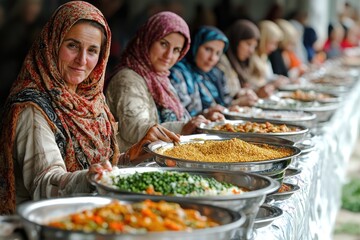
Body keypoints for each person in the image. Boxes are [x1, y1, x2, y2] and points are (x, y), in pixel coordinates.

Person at [0, 1, 179, 215]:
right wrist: (90, 178)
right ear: (52, 44)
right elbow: (45, 183)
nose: (82, 60)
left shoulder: (91, 101)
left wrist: (131, 156)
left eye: (92, 50)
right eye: (72, 45)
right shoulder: (32, 108)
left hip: (92, 213)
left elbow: (100, 167)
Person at [105, 11, 210, 152]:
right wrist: (183, 128)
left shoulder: (161, 78)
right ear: (148, 39)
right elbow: (134, 128)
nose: (169, 55)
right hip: (136, 166)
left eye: (176, 50)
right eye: (164, 44)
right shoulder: (127, 79)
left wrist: (204, 119)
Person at [169, 26, 257, 117]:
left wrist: (238, 99)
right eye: (208, 49)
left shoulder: (216, 73)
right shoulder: (178, 73)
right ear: (195, 45)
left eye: (218, 53)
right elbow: (179, 116)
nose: (212, 58)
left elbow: (226, 102)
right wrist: (206, 114)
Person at [221, 19, 273, 99]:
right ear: (236, 40)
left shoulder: (243, 62)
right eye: (248, 44)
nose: (251, 51)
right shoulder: (222, 62)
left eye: (254, 47)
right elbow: (227, 96)